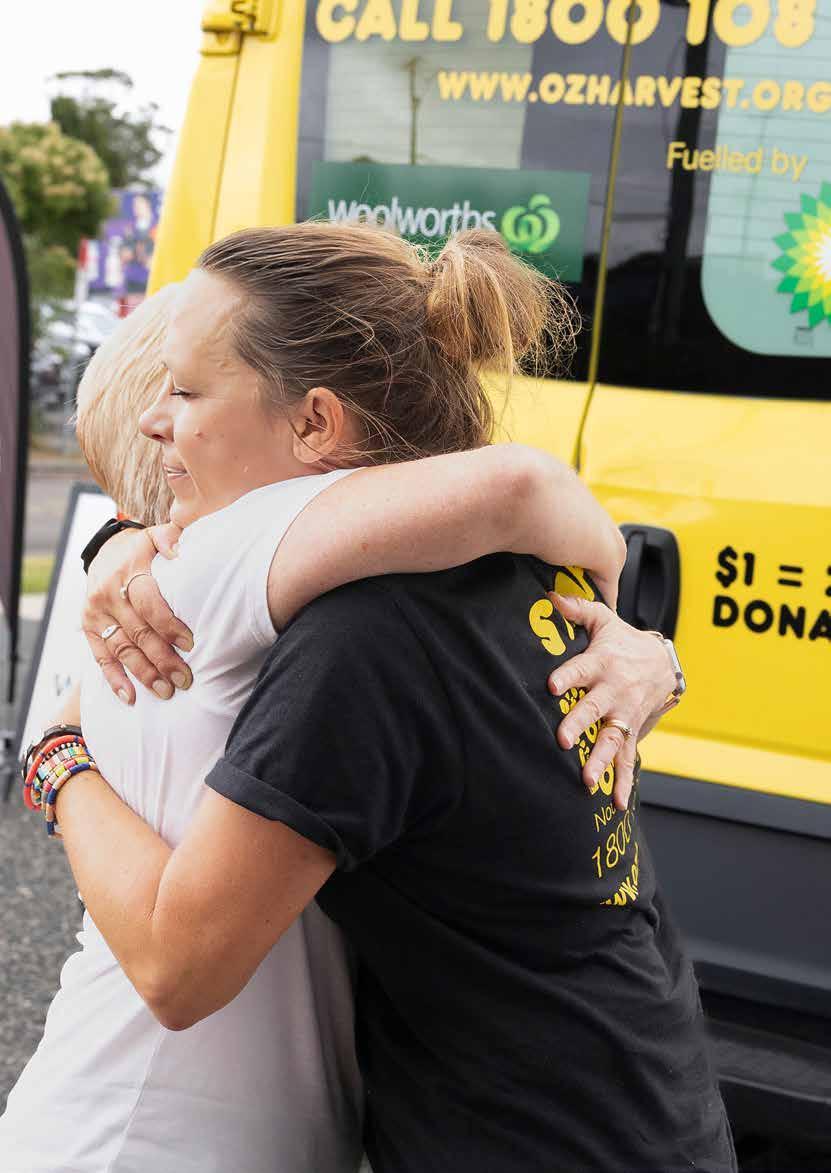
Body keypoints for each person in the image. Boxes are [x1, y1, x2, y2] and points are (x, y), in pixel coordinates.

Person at [2, 224, 662, 1172]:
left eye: (185, 392)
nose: (159, 421)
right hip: (135, 1133)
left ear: (315, 421)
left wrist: (57, 746)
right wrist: (58, 754)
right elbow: (519, 481)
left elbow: (513, 488)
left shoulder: (272, 571)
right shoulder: (215, 572)